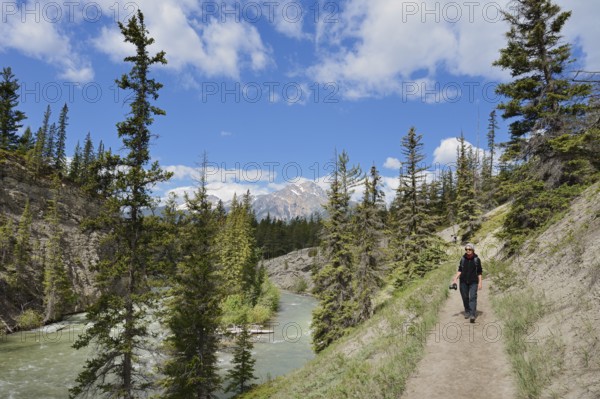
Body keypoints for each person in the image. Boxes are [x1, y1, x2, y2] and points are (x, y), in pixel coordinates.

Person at [452, 243, 482, 323]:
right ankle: (467, 311)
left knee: (472, 297)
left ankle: (472, 314)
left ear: (473, 250)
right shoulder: (463, 259)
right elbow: (460, 270)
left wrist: (480, 283)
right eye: (466, 249)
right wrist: (455, 278)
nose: (468, 251)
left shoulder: (476, 260)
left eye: (469, 249)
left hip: (473, 282)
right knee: (465, 297)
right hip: (463, 281)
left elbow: (479, 272)